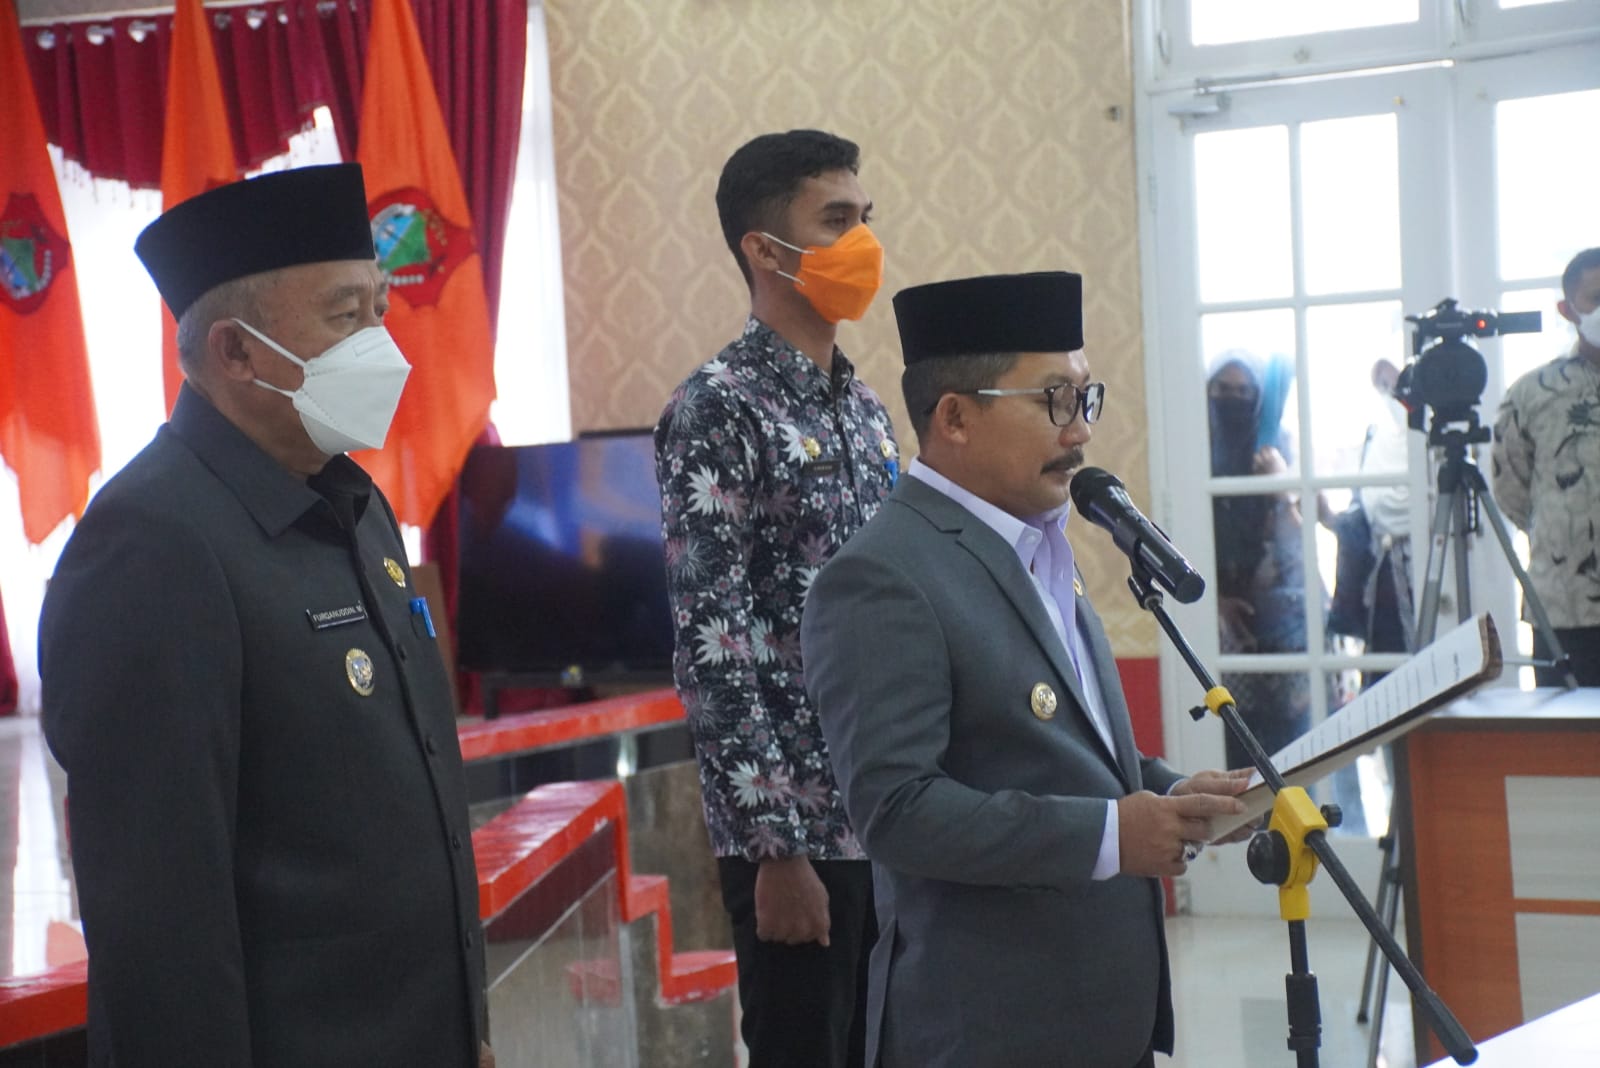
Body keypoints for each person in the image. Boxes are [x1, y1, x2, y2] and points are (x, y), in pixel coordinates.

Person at [39, 165, 492, 1068]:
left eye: (378, 308)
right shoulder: (152, 543)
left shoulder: (353, 502)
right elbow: (160, 917)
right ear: (236, 354)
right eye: (345, 315)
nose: (380, 343)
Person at [801, 271, 1251, 1068]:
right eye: (1053, 400)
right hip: (992, 1027)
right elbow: (897, 809)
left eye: (1085, 397)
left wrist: (1173, 792)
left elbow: (1068, 751)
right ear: (955, 418)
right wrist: (1112, 834)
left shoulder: (1040, 544)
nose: (1080, 431)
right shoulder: (883, 575)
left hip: (1101, 1013)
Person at [654, 129, 898, 1068]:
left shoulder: (864, 409)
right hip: (798, 833)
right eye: (836, 220)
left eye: (865, 217)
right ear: (764, 248)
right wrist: (775, 848)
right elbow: (713, 639)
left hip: (891, 810)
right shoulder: (717, 407)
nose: (862, 242)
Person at [1491, 246, 1600, 686]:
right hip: (1564, 610)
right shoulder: (1532, 394)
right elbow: (1511, 489)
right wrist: (1567, 527)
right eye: (1596, 298)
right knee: (1568, 731)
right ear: (1568, 309)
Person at [1206, 350, 1317, 769]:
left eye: (1244, 392)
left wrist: (1279, 486)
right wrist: (1214, 603)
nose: (1233, 399)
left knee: (1295, 751)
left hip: (1285, 624)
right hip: (1220, 629)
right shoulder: (1196, 455)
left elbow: (1302, 546)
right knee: (1235, 747)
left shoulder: (1278, 449)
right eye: (1223, 389)